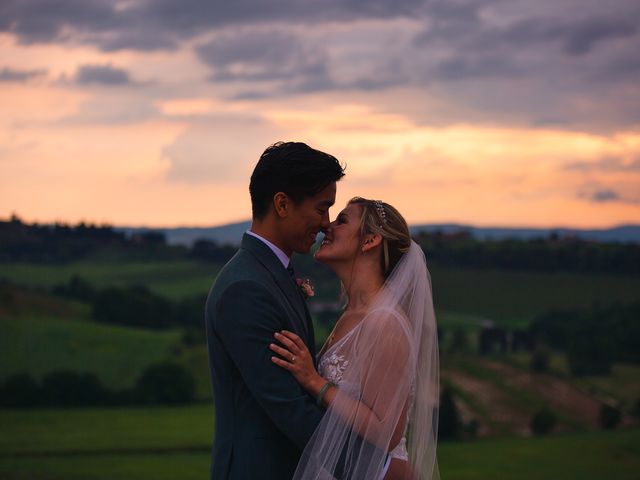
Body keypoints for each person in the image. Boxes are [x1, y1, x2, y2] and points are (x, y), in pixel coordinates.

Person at [271, 197, 440, 480]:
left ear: (370, 240)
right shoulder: (353, 314)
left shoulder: (385, 322)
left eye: (342, 220)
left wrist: (315, 382)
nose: (327, 227)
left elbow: (386, 433)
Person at [204, 141, 345, 479]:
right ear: (282, 204)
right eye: (321, 208)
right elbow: (288, 406)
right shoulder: (246, 290)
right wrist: (374, 469)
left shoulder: (269, 273)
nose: (327, 224)